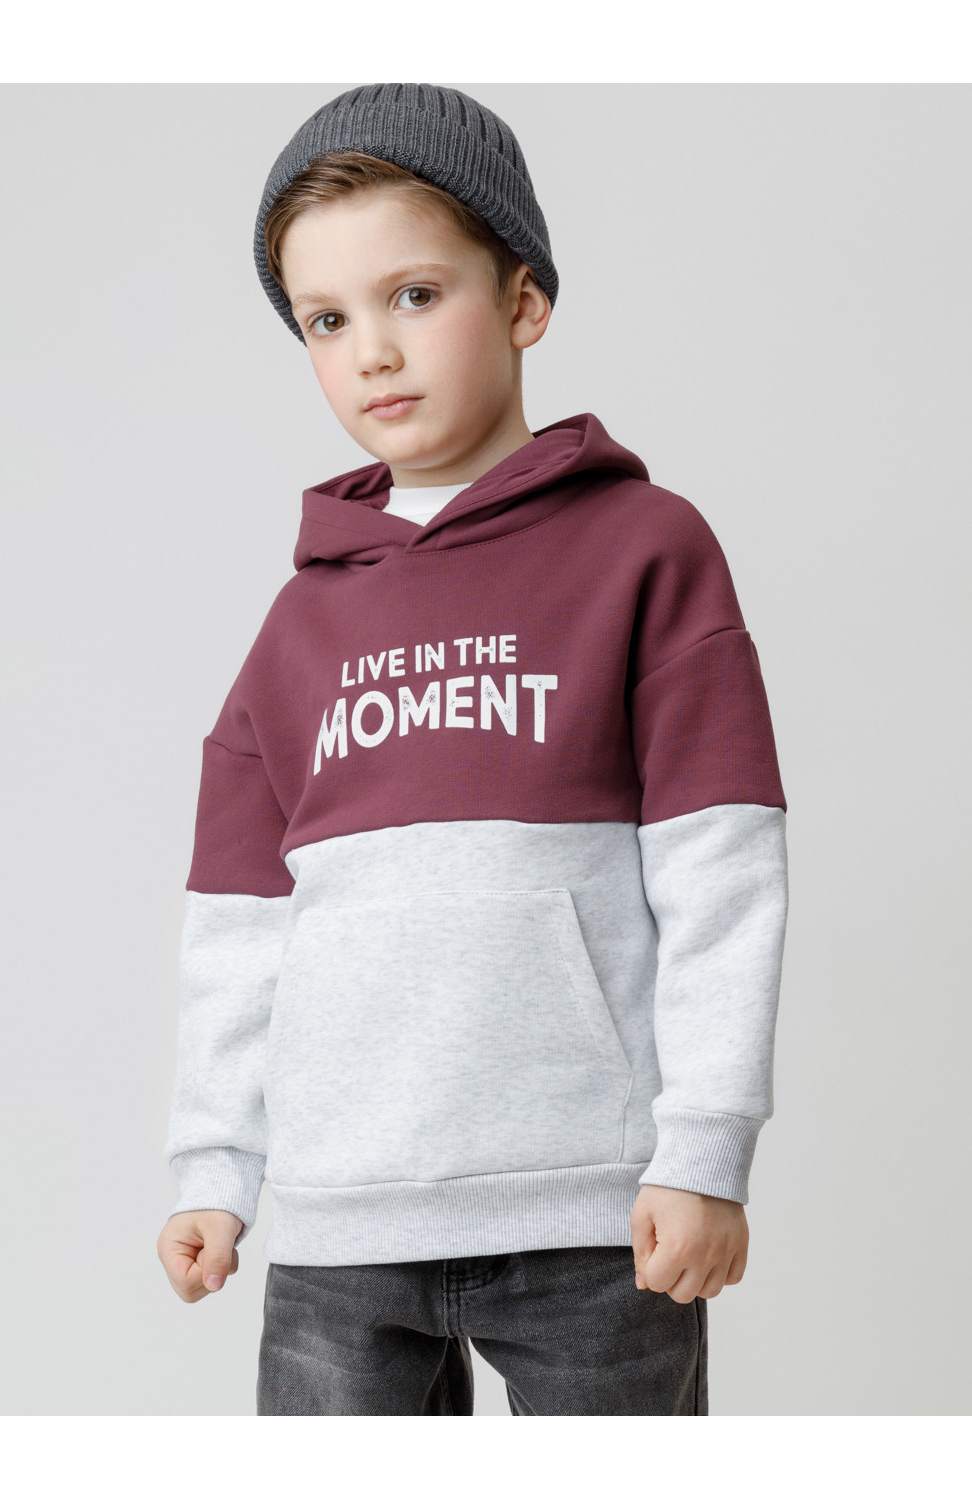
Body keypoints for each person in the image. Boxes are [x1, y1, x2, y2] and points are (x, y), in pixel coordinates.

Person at [156, 82, 789, 1417]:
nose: (373, 352)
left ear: (523, 300)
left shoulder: (646, 551)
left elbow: (721, 872)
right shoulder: (297, 625)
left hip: (595, 1213)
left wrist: (705, 1149)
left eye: (414, 294)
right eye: (327, 321)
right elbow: (238, 927)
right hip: (339, 1223)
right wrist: (215, 1167)